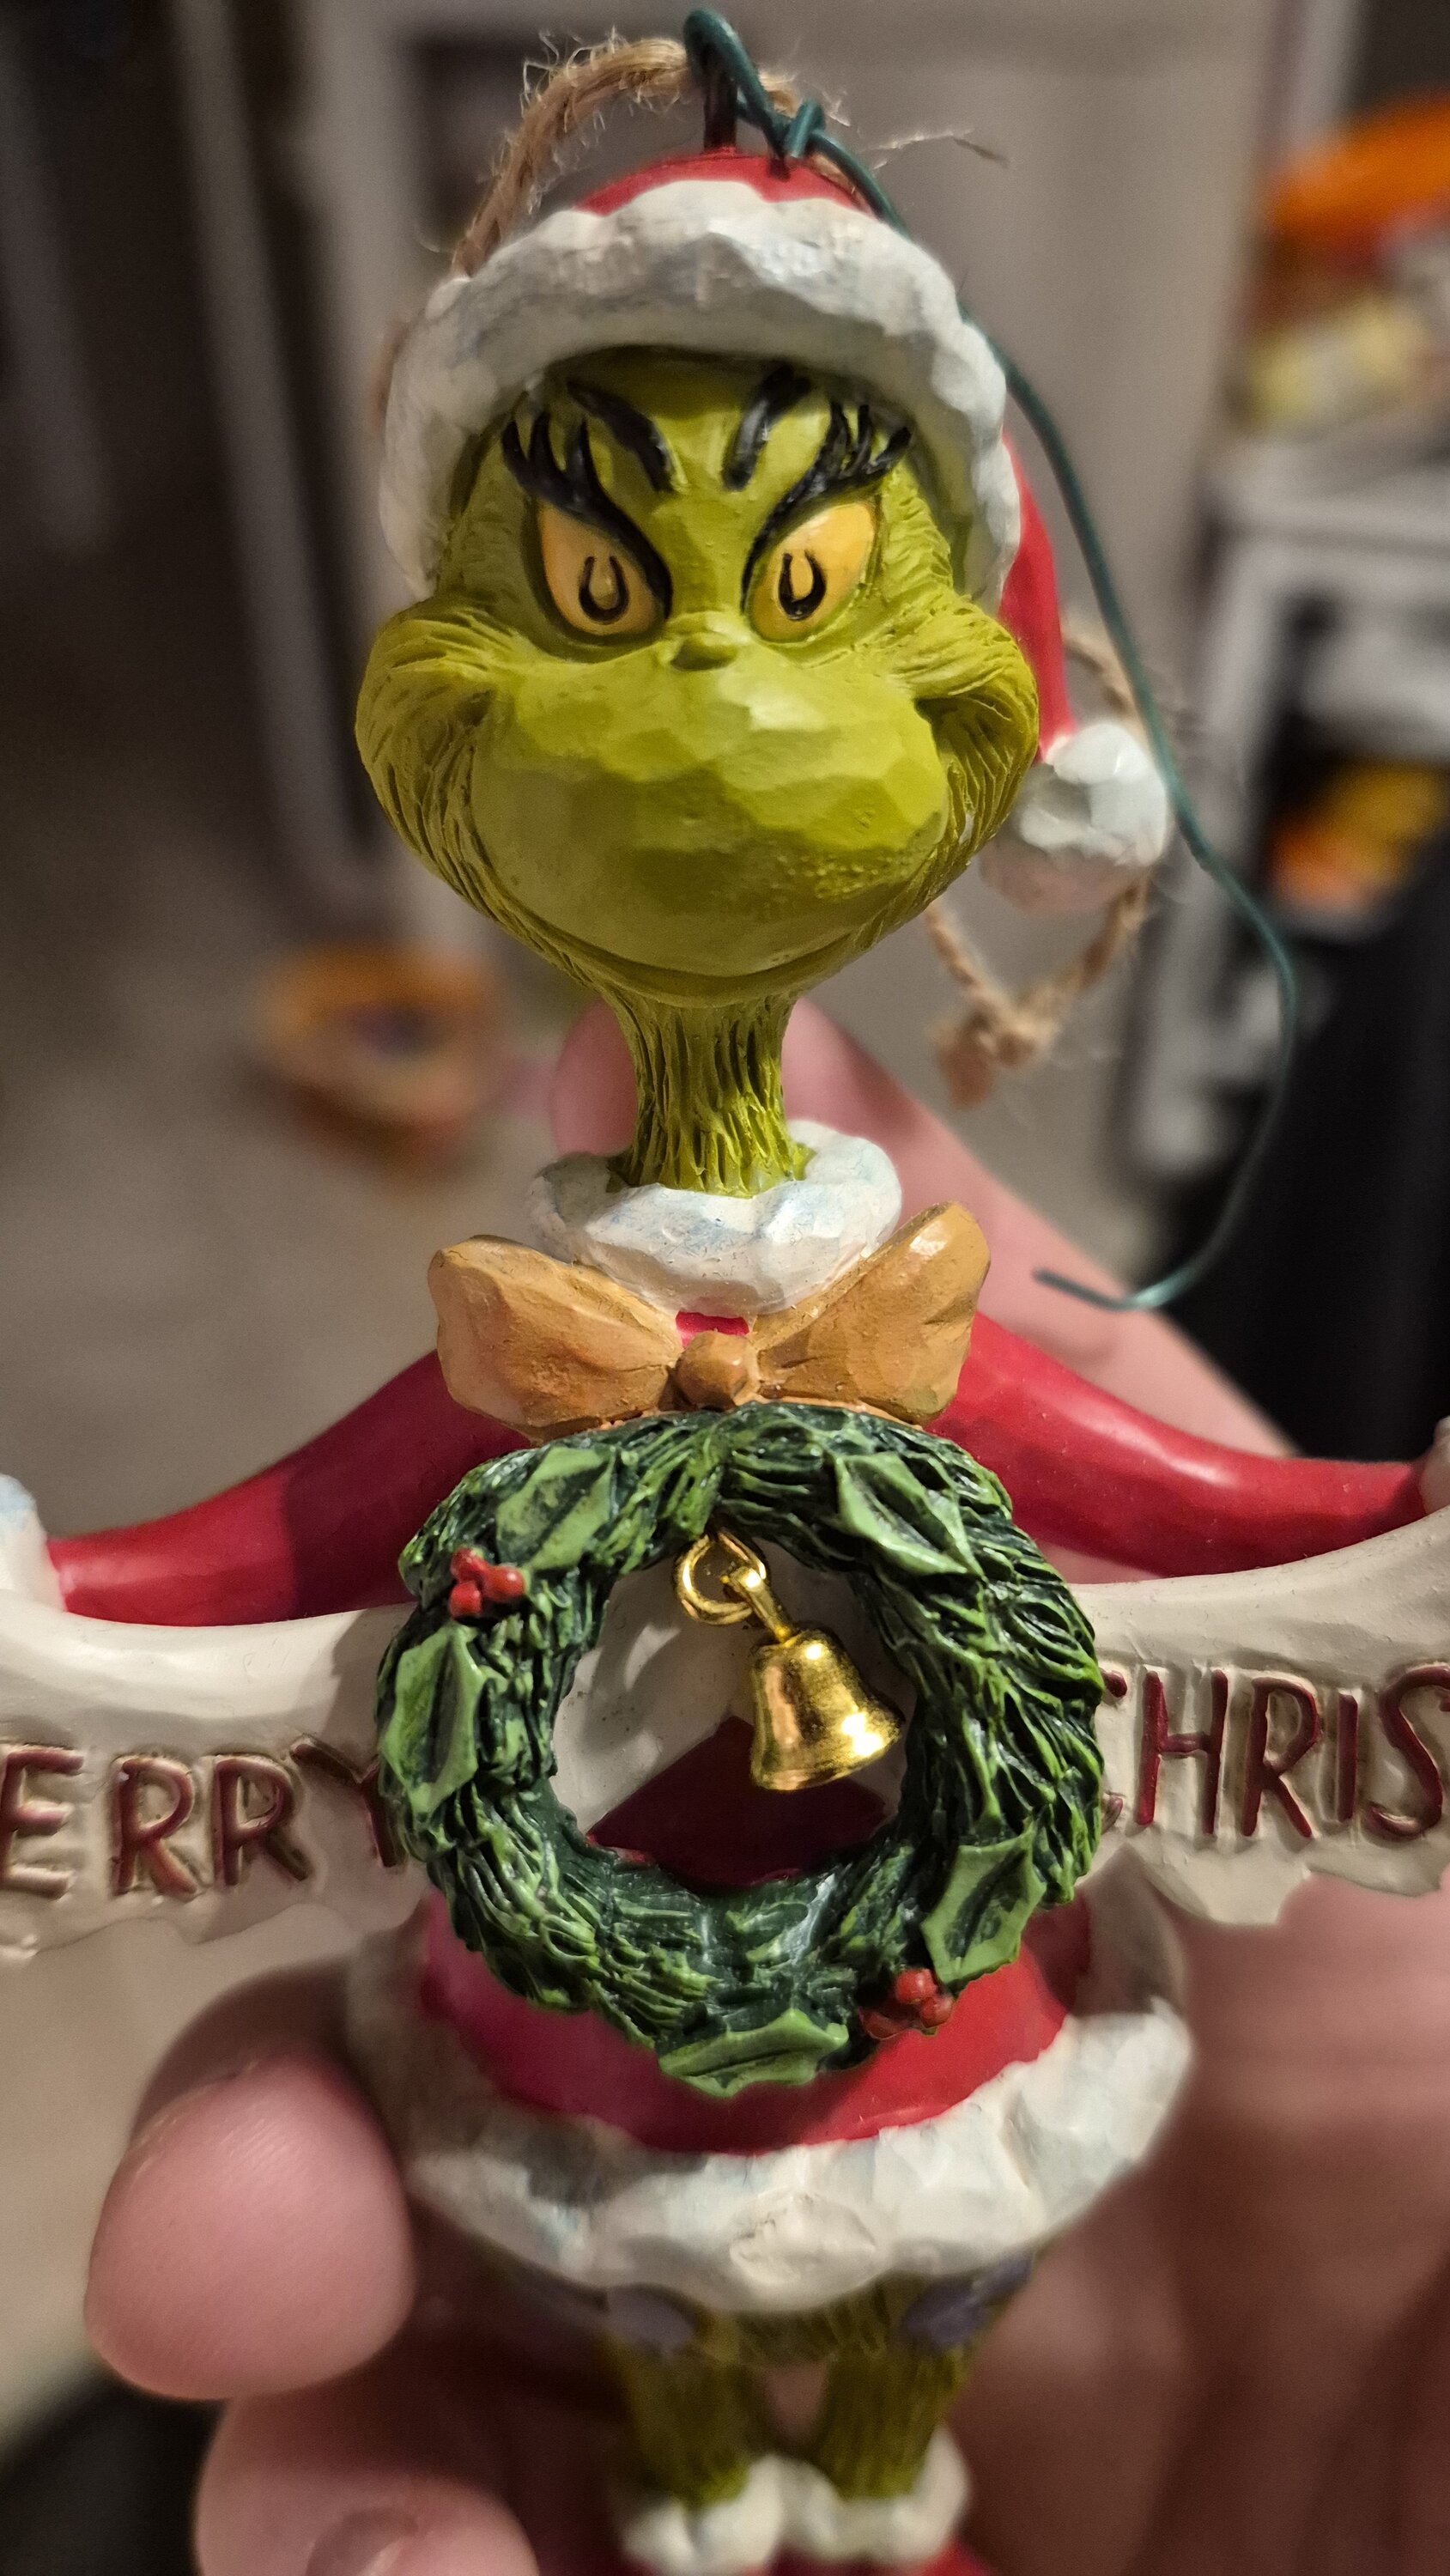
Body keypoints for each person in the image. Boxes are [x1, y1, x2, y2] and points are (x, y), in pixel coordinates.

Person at [86, 1007, 1450, 2576]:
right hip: (588, 2051)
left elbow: (1176, 1497)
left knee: (928, 2302)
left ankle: (877, 2467)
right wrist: (64, 1606)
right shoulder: (531, 1371)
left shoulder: (891, 1341)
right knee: (648, 2328)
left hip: (954, 2022)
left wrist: (1393, 1524)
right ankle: (701, 2471)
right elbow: (270, 1543)